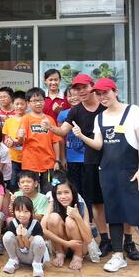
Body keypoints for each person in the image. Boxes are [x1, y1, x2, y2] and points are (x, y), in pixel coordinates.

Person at [73, 78, 139, 277]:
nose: (102, 97)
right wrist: (81, 136)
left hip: (132, 173)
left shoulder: (133, 111)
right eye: (99, 94)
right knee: (114, 215)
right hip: (108, 173)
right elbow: (98, 145)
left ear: (116, 91)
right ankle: (118, 256)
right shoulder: (100, 118)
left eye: (106, 92)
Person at [44, 73, 112, 257]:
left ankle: (124, 240)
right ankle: (105, 239)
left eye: (84, 87)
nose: (81, 92)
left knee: (113, 200)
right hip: (89, 161)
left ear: (92, 86)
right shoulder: (75, 111)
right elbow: (62, 131)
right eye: (77, 89)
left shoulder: (105, 105)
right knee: (95, 201)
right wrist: (50, 127)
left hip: (110, 159)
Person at [17, 87, 62, 193]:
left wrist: (57, 161)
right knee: (31, 192)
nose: (38, 103)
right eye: (34, 101)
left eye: (40, 100)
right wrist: (20, 136)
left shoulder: (50, 119)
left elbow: (55, 141)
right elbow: (20, 142)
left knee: (49, 192)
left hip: (48, 163)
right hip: (30, 163)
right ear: (28, 103)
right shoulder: (26, 119)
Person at [42, 178, 92, 270]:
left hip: (80, 247)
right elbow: (43, 229)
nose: (63, 196)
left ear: (73, 193)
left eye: (66, 192)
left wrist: (77, 217)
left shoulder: (81, 206)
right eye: (59, 193)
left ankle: (78, 256)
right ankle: (60, 253)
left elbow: (88, 239)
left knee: (70, 220)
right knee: (53, 217)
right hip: (62, 245)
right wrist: (66, 243)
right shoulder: (53, 205)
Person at [2, 196, 48, 277]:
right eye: (18, 211)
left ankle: (37, 264)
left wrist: (24, 236)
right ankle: (13, 260)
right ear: (13, 211)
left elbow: (27, 247)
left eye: (26, 211)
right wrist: (19, 236)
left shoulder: (35, 224)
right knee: (7, 235)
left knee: (39, 239)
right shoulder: (13, 224)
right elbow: (22, 248)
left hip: (33, 255)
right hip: (19, 255)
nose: (22, 215)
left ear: (32, 212)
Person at [57, 87, 85, 195]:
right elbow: (61, 137)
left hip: (88, 157)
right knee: (74, 187)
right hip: (72, 157)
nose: (73, 98)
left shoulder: (89, 112)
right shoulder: (63, 114)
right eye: (69, 96)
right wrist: (63, 157)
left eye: (75, 95)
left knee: (88, 187)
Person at [3, 90, 27, 193]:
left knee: (26, 183)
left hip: (27, 158)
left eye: (22, 104)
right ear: (12, 104)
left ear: (27, 104)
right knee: (12, 184)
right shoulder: (8, 121)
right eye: (17, 104)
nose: (19, 106)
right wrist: (8, 142)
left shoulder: (29, 119)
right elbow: (5, 138)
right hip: (12, 157)